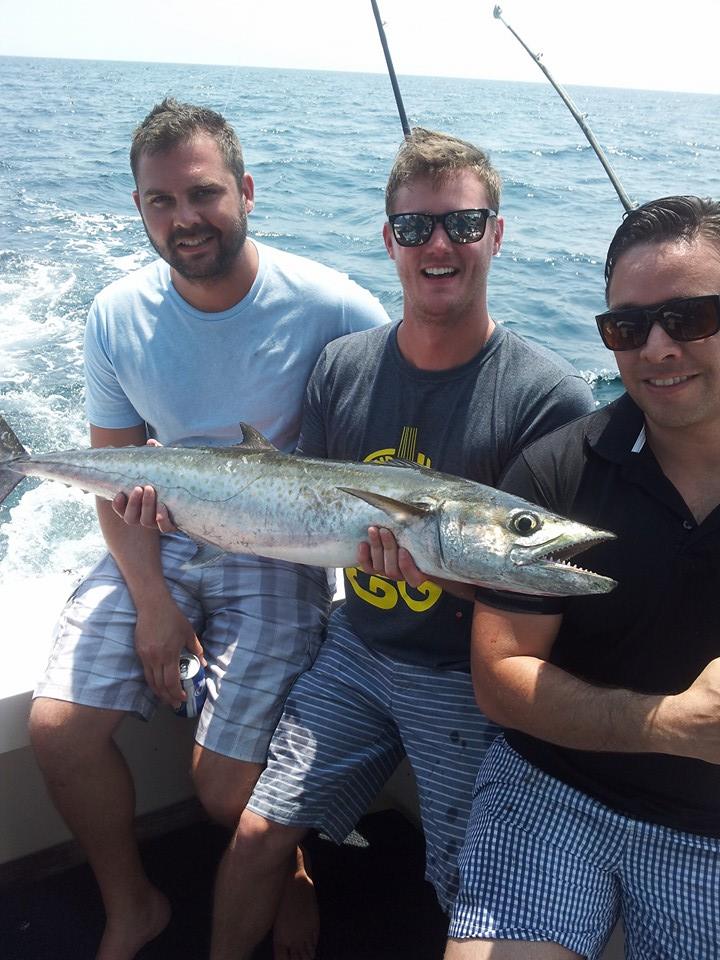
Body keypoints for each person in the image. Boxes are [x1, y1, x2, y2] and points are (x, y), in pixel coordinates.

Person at [186, 127, 595, 960]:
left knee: (461, 881)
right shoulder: (342, 366)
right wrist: (191, 516)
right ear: (389, 241)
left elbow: (534, 592)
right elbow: (300, 510)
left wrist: (440, 573)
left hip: (462, 675)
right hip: (357, 647)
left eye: (463, 225)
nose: (438, 246)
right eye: (415, 229)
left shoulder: (545, 396)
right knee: (258, 833)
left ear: (498, 235)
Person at [27, 97, 389, 960]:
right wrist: (152, 601)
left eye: (204, 194)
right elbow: (113, 470)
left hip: (281, 543)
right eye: (162, 201)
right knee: (57, 732)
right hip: (155, 529)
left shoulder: (334, 304)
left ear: (247, 191)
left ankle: (287, 875)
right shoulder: (115, 313)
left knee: (226, 793)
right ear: (141, 209)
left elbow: (388, 443)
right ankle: (133, 906)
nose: (185, 219)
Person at [445, 195, 720, 960]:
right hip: (550, 792)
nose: (658, 348)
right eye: (628, 328)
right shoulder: (556, 470)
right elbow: (500, 675)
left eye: (692, 318)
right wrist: (670, 726)